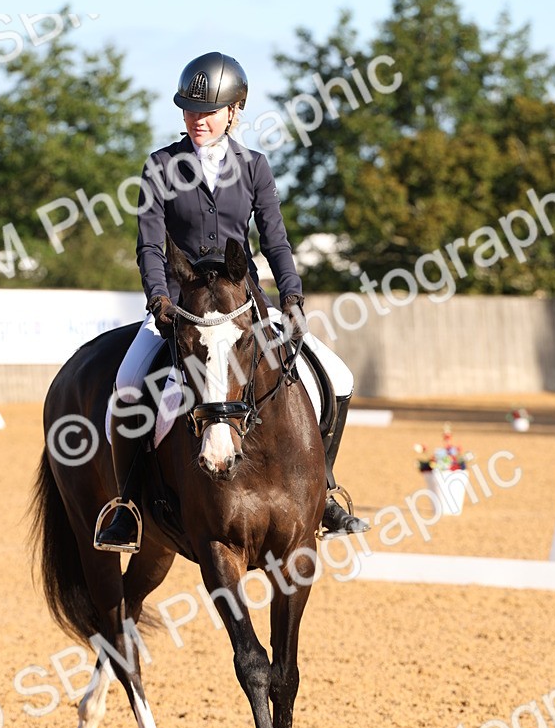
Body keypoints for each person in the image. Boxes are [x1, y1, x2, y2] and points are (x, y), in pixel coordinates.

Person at [95, 51, 368, 551]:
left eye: (208, 111)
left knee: (340, 377)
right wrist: (158, 295)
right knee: (129, 382)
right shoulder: (160, 165)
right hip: (181, 308)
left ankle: (323, 489)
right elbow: (149, 244)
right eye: (189, 110)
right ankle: (128, 508)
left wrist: (292, 295)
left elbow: (275, 239)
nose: (197, 119)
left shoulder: (255, 167)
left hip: (245, 307)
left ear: (234, 111)